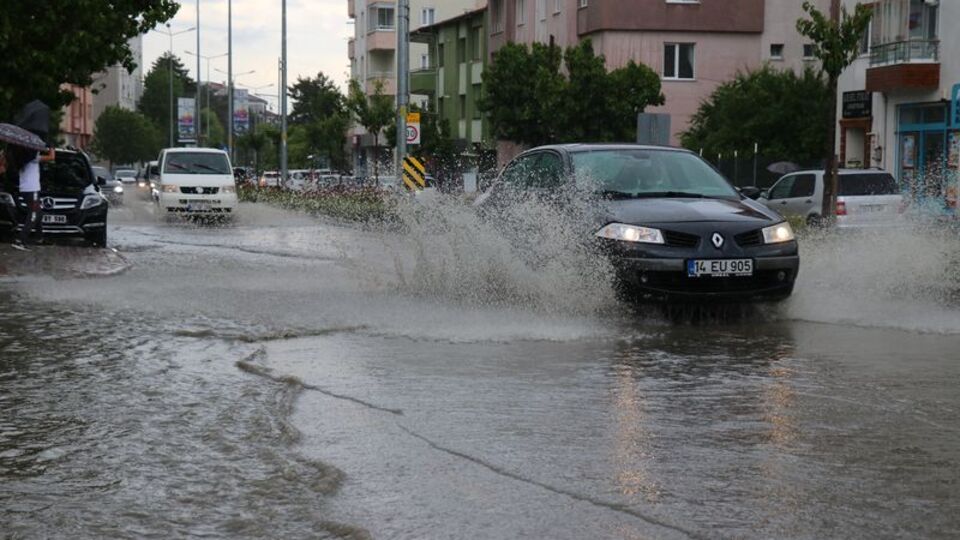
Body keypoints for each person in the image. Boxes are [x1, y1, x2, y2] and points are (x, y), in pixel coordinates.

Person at [5, 144, 55, 251]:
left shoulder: (22, 159)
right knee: (33, 214)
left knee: (38, 213)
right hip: (32, 190)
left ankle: (39, 237)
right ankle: (21, 240)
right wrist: (52, 147)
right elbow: (52, 157)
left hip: (25, 190)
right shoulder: (33, 159)